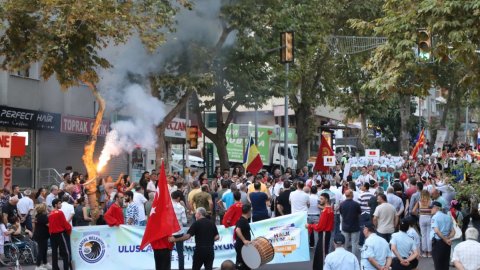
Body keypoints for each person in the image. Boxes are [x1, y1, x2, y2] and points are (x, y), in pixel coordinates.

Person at [307, 193, 334, 270]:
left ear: (326, 199)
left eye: (322, 199)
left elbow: (320, 227)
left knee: (322, 253)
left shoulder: (326, 210)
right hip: (326, 233)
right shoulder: (329, 209)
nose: (320, 200)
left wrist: (310, 226)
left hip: (324, 233)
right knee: (321, 252)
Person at [49, 198, 72, 270]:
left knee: (54, 252)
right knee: (66, 252)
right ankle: (66, 268)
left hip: (52, 234)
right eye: (59, 203)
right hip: (60, 234)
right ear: (56, 205)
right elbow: (65, 223)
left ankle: (55, 268)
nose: (61, 204)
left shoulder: (50, 214)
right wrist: (69, 230)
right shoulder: (60, 213)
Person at [430, 201, 455, 270]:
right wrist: (447, 238)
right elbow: (453, 231)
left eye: (431, 208)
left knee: (438, 264)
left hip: (438, 243)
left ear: (436, 208)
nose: (430, 209)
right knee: (445, 263)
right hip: (447, 243)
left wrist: (445, 239)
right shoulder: (448, 217)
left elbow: (437, 231)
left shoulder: (435, 217)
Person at [339, 189, 361, 258]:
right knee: (354, 244)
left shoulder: (342, 204)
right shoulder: (356, 204)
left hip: (345, 226)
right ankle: (354, 258)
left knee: (345, 243)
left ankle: (345, 257)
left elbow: (341, 213)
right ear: (351, 195)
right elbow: (359, 214)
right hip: (355, 226)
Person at [412, 189, 432, 257]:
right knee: (429, 235)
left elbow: (413, 211)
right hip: (429, 218)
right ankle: (429, 253)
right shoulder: (430, 201)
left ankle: (424, 252)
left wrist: (418, 214)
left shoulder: (419, 201)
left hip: (422, 218)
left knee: (423, 235)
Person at [172, 190, 187, 270]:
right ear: (178, 198)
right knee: (180, 253)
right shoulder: (181, 207)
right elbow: (184, 222)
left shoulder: (167, 206)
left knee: (168, 252)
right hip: (179, 232)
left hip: (169, 232)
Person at [33, 203, 51, 270]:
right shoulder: (42, 216)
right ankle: (38, 266)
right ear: (43, 209)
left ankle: (45, 263)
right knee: (41, 250)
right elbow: (49, 225)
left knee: (44, 249)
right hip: (41, 236)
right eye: (46, 208)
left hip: (41, 235)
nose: (47, 209)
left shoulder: (39, 215)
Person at [234, 204, 252, 270]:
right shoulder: (242, 220)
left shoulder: (243, 220)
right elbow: (237, 230)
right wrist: (244, 240)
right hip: (241, 246)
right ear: (248, 211)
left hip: (242, 246)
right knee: (242, 265)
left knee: (245, 264)